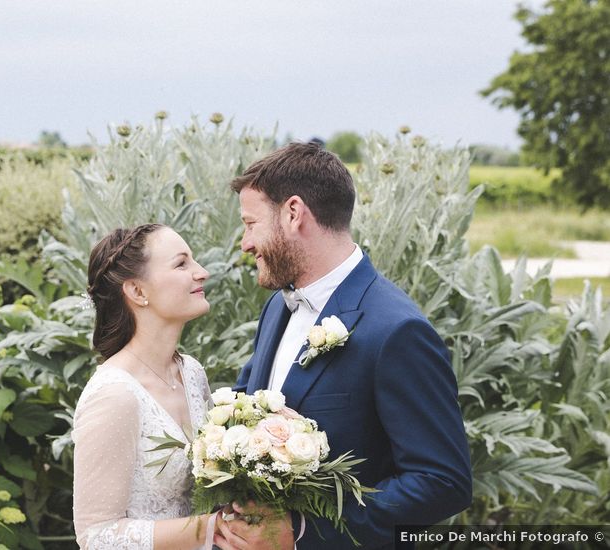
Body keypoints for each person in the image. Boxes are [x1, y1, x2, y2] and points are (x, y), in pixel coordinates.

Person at [216, 142, 472, 549]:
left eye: (250, 223)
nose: (245, 243)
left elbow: (442, 482)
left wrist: (302, 530)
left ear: (294, 213)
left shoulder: (396, 331)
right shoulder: (277, 309)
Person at [72, 224, 223, 549]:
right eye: (182, 264)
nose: (202, 273)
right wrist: (211, 528)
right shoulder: (115, 395)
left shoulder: (192, 374)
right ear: (138, 292)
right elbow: (95, 536)